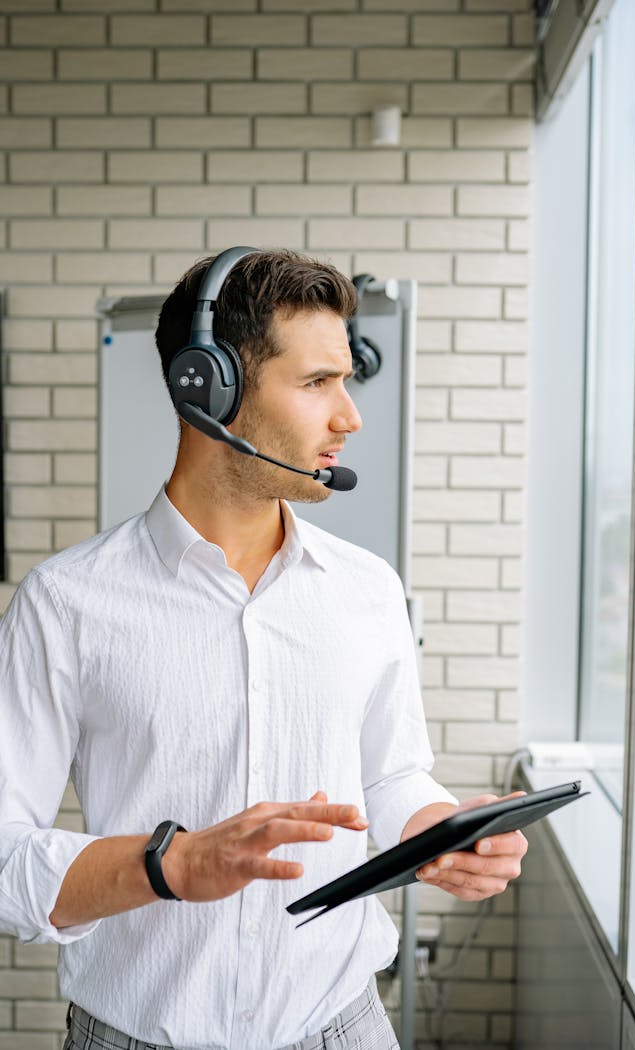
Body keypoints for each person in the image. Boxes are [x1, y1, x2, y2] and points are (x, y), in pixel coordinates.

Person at [0, 249, 527, 1050]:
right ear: (207, 386)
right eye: (317, 383)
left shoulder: (366, 590)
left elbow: (389, 774)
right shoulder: (66, 603)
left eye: (346, 381)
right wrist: (168, 866)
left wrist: (443, 833)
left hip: (342, 1025)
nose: (349, 417)